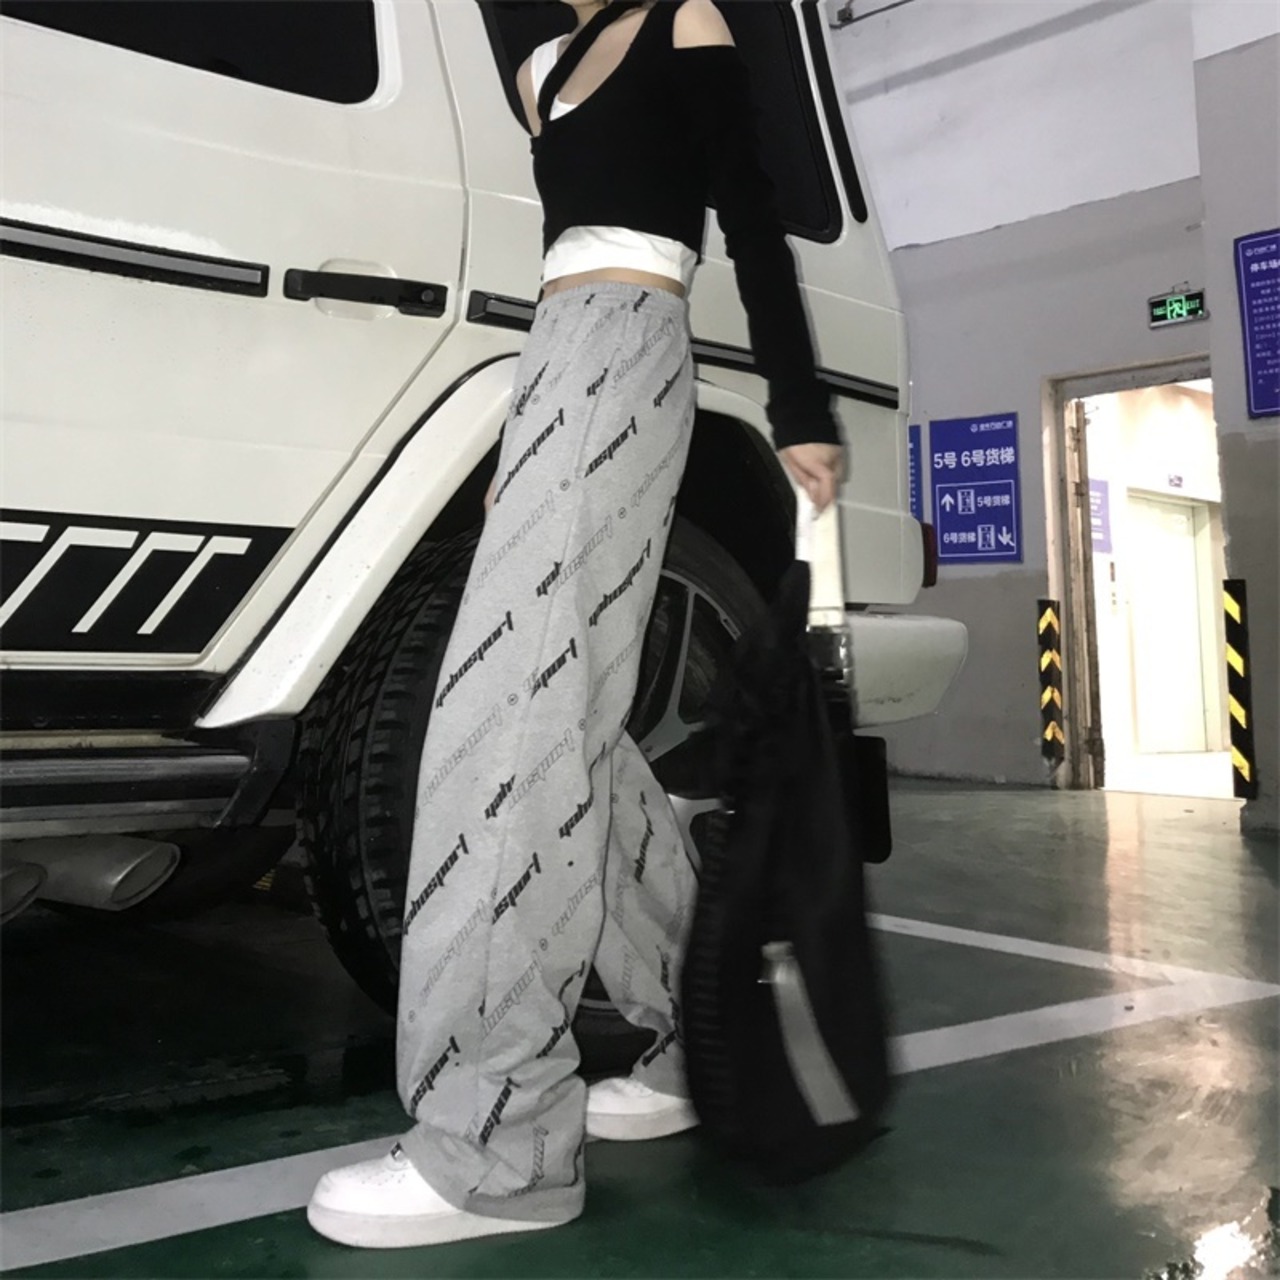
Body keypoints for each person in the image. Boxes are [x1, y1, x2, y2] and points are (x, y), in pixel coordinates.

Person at [307, 0, 845, 1249]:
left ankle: (498, 1146)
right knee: (572, 732)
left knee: (506, 724)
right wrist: (520, 429)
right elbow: (555, 259)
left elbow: (751, 219)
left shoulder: (683, 22)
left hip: (630, 351)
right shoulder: (544, 70)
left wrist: (800, 408)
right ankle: (705, 1032)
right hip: (556, 362)